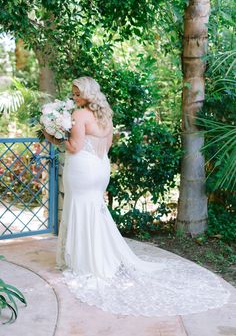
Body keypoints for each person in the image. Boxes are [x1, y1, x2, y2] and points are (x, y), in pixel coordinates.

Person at [44, 76, 229, 317]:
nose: (74, 98)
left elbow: (74, 147)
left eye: (77, 93)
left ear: (88, 94)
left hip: (81, 169)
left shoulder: (80, 115)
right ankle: (98, 257)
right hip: (100, 168)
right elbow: (106, 147)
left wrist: (52, 137)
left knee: (80, 209)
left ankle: (85, 261)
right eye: (74, 93)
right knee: (94, 212)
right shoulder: (105, 116)